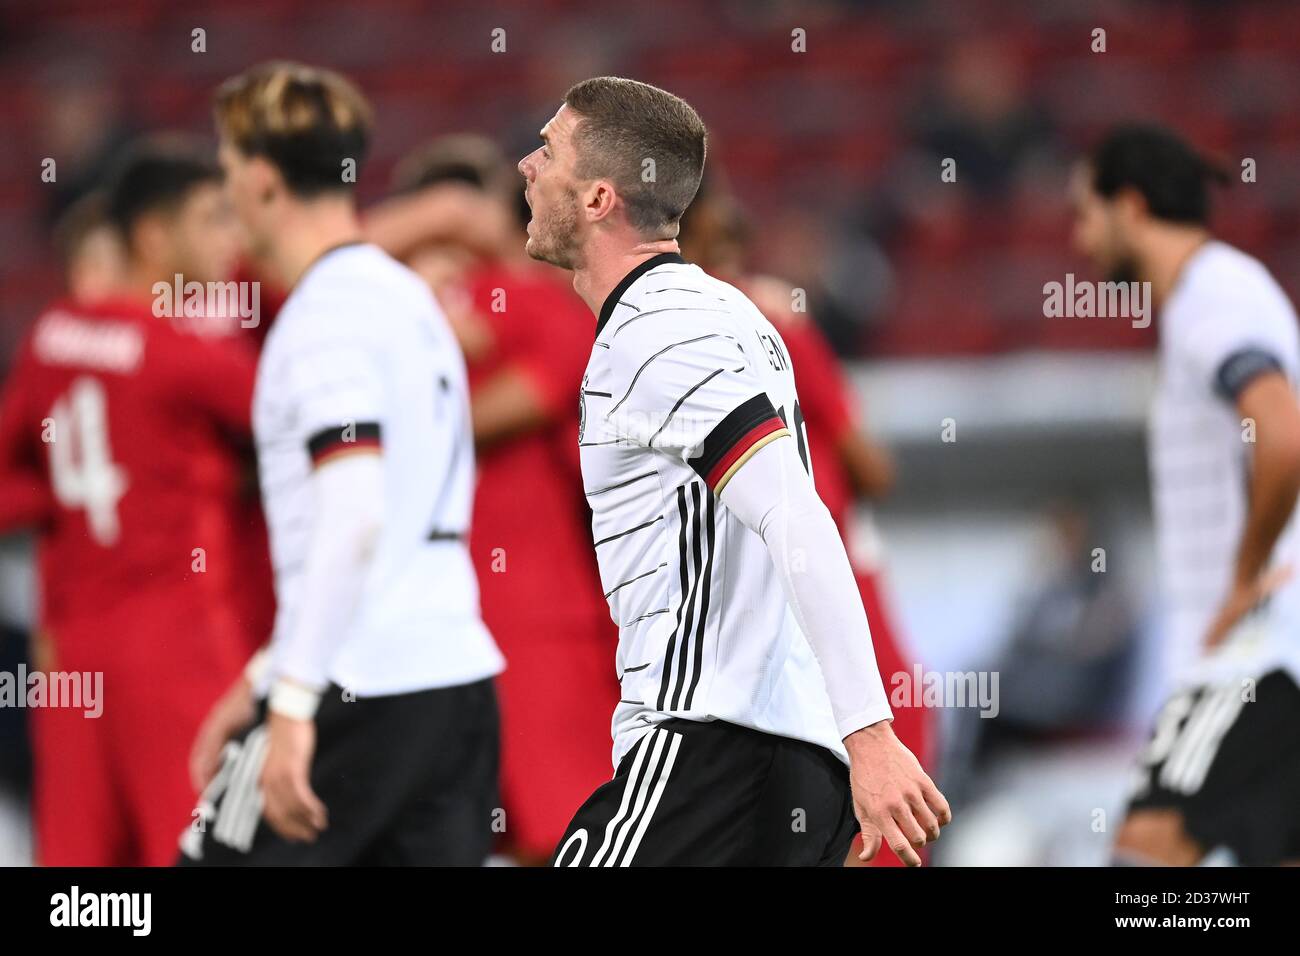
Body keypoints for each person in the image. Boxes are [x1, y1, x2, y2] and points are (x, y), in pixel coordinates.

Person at [519, 76, 950, 866]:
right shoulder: (722, 313)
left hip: (710, 744)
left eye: (548, 151)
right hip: (775, 754)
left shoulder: (664, 331)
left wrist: (871, 734)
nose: (526, 166)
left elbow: (793, 512)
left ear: (598, 198)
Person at [181, 61, 503, 866]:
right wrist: (264, 675)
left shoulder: (324, 316)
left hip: (359, 688)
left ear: (260, 181)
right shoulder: (408, 302)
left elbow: (355, 510)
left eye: (225, 170)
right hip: (454, 683)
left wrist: (289, 701)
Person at [0, 140, 261, 865]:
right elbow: (309, 428)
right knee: (193, 845)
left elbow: (13, 482)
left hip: (74, 653)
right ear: (153, 235)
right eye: (212, 219)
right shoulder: (186, 354)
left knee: (79, 873)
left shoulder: (52, 334)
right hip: (178, 643)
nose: (229, 239)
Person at [374, 137, 620, 864]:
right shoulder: (553, 308)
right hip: (532, 618)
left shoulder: (368, 315)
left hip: (436, 620)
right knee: (570, 831)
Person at [678, 180, 934, 866]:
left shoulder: (736, 330)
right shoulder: (767, 322)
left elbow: (869, 465)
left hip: (828, 641)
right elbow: (869, 466)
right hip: (823, 634)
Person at [1072, 124, 1300, 865]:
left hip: (1250, 654)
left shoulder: (1212, 296)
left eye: (1086, 214)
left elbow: (1284, 433)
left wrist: (1244, 573)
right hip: (1267, 649)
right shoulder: (1216, 295)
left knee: (1144, 856)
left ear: (1130, 207)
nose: (1080, 241)